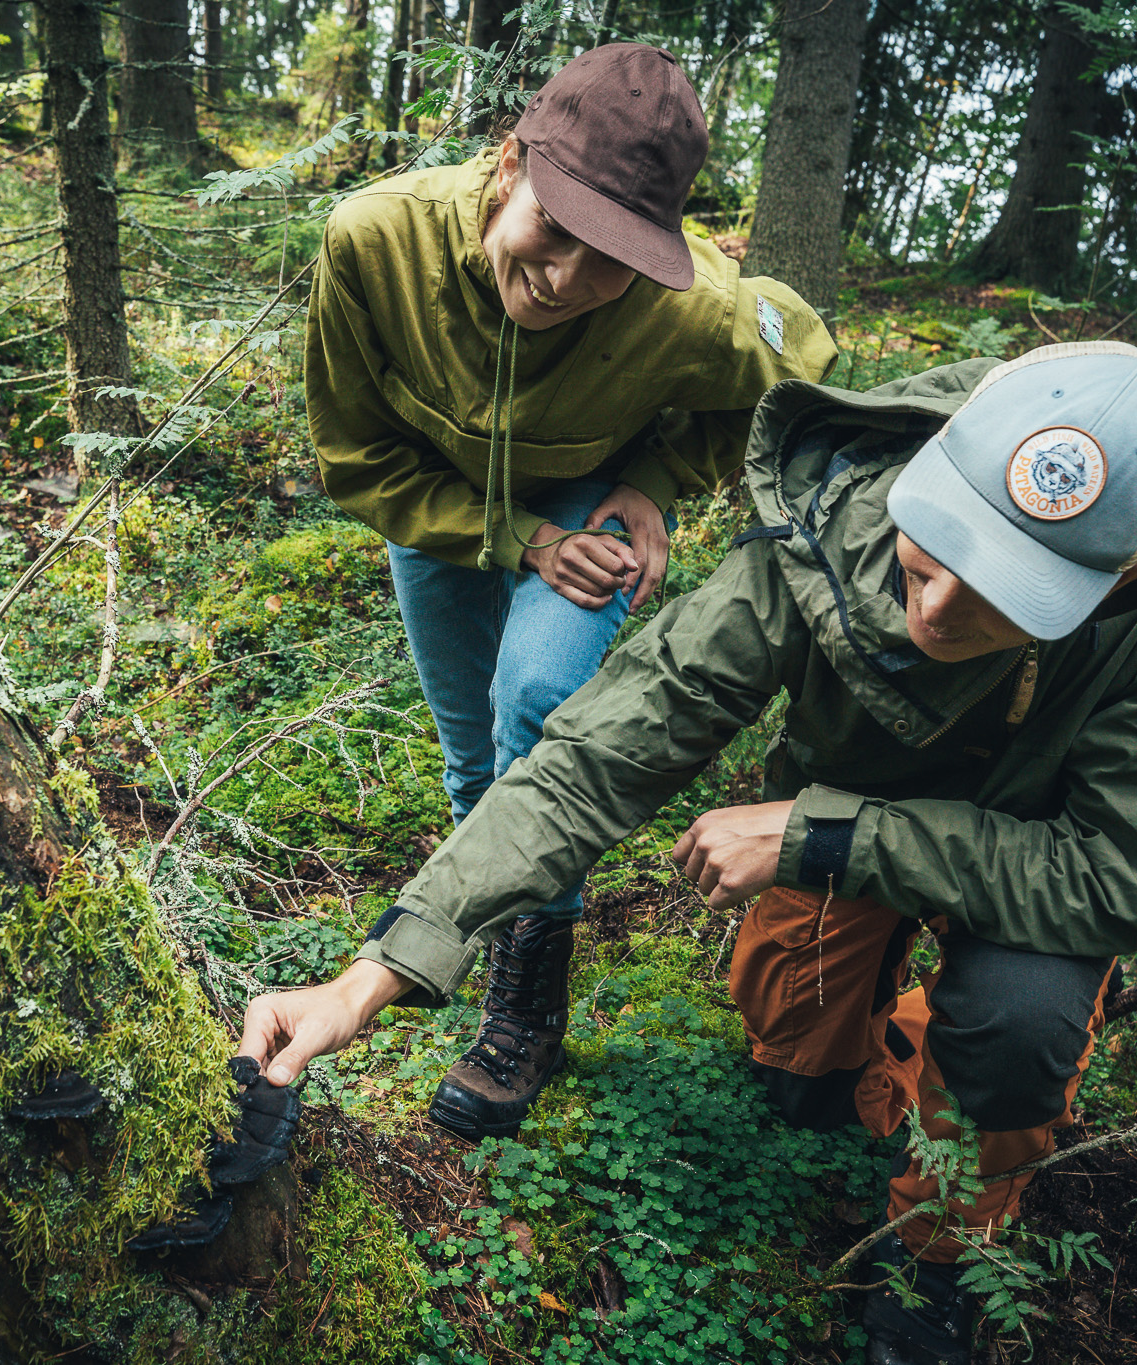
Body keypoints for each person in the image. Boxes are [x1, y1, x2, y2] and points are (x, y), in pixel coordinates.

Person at [242, 341, 1137, 1364]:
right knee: (795, 1070)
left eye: (1000, 600)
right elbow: (598, 757)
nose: (933, 615)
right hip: (850, 797)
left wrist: (826, 837)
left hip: (1033, 857)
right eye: (927, 560)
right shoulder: (833, 511)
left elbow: (1114, 876)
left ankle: (940, 1253)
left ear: (1123, 580)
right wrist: (373, 972)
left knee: (1014, 1032)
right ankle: (895, 1051)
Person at [305, 42, 836, 1139]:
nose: (567, 283)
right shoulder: (374, 239)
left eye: (613, 264)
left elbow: (802, 363)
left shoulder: (689, 308)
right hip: (443, 512)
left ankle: (524, 1013)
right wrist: (515, 537)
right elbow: (357, 460)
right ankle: (506, 941)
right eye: (554, 235)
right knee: (469, 755)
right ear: (508, 168)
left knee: (535, 713)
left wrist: (654, 482)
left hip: (588, 507)